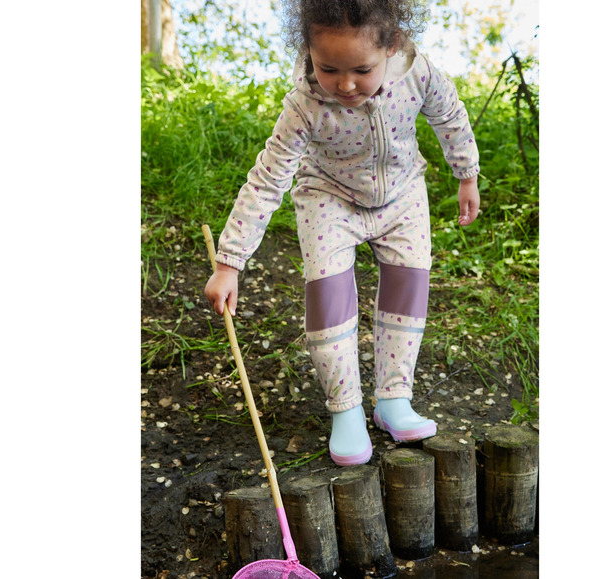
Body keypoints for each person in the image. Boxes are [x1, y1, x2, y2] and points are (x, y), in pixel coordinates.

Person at [205, 0, 481, 466]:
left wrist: (466, 173)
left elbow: (449, 116)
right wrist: (229, 262)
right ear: (308, 50)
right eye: (328, 68)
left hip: (402, 193)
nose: (346, 84)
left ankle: (393, 398)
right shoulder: (305, 105)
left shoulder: (419, 75)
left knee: (408, 282)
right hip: (328, 198)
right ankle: (346, 409)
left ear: (391, 46)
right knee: (329, 295)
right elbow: (267, 179)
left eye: (361, 69)